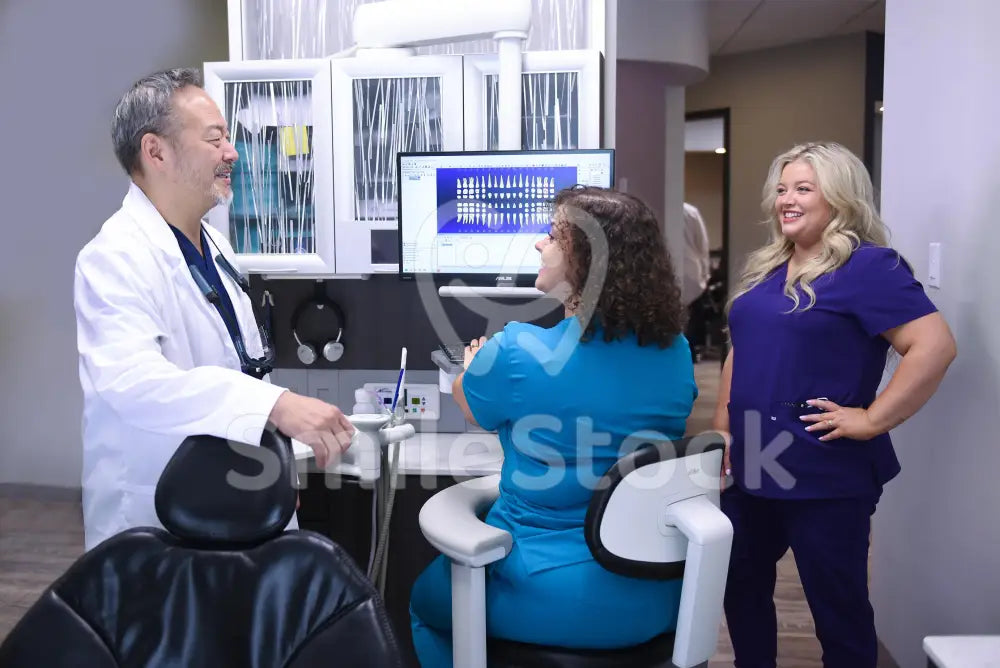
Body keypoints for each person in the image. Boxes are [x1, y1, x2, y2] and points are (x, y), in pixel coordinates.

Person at [409, 187, 698, 666]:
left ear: (586, 259)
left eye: (551, 236)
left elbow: (475, 410)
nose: (538, 245)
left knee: (423, 601)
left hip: (546, 592)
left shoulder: (518, 350)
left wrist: (472, 367)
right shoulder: (677, 352)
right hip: (656, 598)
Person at [74, 68, 355, 551]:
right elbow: (133, 382)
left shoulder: (216, 246)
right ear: (155, 151)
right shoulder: (113, 257)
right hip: (155, 523)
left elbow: (243, 370)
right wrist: (276, 406)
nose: (233, 152)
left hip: (232, 497)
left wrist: (274, 465)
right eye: (215, 139)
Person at [713, 142, 956, 668]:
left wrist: (871, 419)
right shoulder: (771, 267)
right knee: (737, 584)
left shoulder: (869, 267)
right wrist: (723, 427)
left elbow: (933, 346)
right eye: (782, 189)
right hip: (752, 463)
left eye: (803, 188)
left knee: (837, 610)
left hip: (823, 472)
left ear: (840, 197)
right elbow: (742, 349)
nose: (786, 200)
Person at [682, 202, 712, 361]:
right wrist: (706, 275)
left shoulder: (659, 206)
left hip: (674, 273)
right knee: (690, 321)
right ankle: (690, 354)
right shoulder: (691, 212)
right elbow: (702, 245)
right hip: (692, 275)